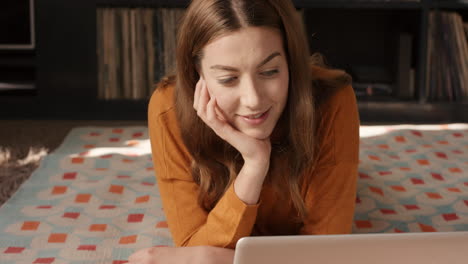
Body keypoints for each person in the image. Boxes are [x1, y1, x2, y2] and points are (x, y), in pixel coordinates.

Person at [128, 0, 359, 263]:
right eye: (228, 79)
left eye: (270, 71)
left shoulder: (333, 101)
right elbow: (192, 244)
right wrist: (254, 166)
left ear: (291, 63)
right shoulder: (167, 109)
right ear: (197, 74)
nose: (253, 100)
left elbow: (325, 252)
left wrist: (217, 259)